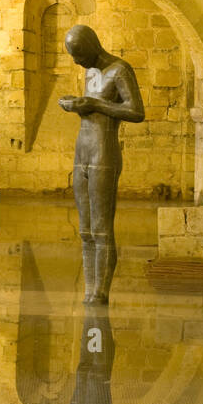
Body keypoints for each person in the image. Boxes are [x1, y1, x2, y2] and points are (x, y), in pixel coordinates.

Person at [59, 24, 145, 304]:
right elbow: (92, 104)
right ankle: (89, 286)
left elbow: (135, 111)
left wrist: (95, 105)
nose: (76, 61)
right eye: (73, 56)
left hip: (104, 153)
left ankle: (101, 291)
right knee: (85, 230)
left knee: (101, 227)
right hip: (82, 150)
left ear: (92, 47)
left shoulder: (120, 70)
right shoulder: (90, 71)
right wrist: (77, 103)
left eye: (79, 55)